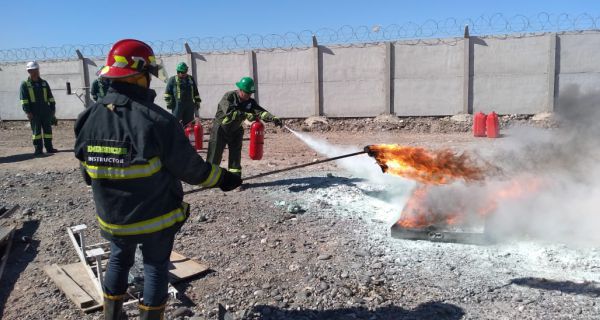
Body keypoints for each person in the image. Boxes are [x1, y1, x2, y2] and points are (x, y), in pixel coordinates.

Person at [74, 39, 242, 320]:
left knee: (118, 260)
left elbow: (87, 175)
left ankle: (111, 316)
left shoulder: (87, 117)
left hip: (113, 219)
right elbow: (192, 170)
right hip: (153, 219)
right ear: (138, 75)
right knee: (154, 267)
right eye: (148, 75)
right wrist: (224, 179)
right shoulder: (157, 120)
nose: (149, 81)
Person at [206, 77, 282, 177]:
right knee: (214, 156)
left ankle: (235, 180)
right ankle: (209, 179)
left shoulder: (250, 102)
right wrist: (246, 115)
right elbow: (230, 113)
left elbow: (260, 112)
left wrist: (273, 118)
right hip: (220, 130)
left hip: (235, 130)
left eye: (250, 93)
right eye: (247, 93)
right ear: (240, 90)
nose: (249, 95)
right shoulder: (229, 96)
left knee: (235, 157)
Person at [19, 61, 57, 154]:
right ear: (28, 71)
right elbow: (24, 100)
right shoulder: (25, 84)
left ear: (38, 70)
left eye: (35, 70)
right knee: (36, 132)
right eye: (31, 70)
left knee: (48, 131)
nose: (33, 72)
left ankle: (49, 148)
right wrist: (27, 112)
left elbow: (50, 97)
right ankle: (38, 149)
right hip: (33, 112)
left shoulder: (44, 83)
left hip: (46, 111)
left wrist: (52, 109)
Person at [163, 62, 201, 126]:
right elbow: (167, 93)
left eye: (184, 72)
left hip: (189, 105)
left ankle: (188, 136)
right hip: (177, 106)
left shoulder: (190, 79)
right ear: (178, 72)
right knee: (176, 123)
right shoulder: (172, 80)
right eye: (180, 72)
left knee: (189, 124)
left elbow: (195, 92)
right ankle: (176, 135)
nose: (182, 74)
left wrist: (197, 102)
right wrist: (169, 103)